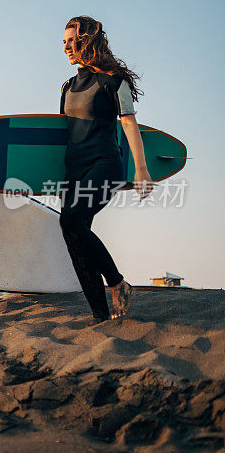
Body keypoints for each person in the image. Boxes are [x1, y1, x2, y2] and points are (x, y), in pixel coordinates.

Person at [59, 16, 152, 322]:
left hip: (105, 165)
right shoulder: (68, 87)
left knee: (72, 220)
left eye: (73, 41)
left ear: (89, 41)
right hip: (74, 170)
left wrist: (141, 169)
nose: (67, 48)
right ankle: (100, 315)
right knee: (72, 231)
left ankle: (117, 282)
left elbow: (128, 122)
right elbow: (64, 132)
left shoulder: (114, 81)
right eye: (64, 43)